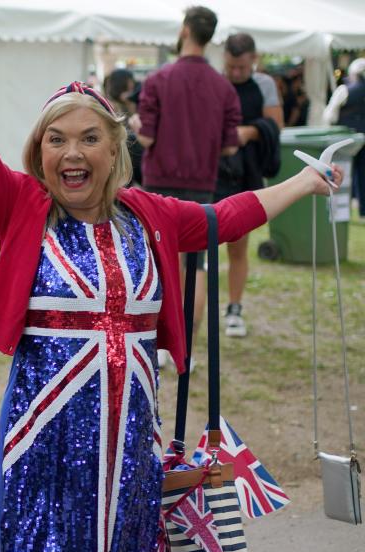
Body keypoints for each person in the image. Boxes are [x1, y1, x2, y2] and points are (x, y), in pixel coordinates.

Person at [0, 6, 342, 552]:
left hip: (130, 451)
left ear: (116, 148)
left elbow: (228, 217)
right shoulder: (21, 206)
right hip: (51, 448)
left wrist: (304, 183)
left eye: (89, 137)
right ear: (40, 151)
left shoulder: (149, 215)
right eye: (56, 140)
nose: (72, 152)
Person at [131, 6, 241, 365]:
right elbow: (229, 145)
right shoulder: (223, 87)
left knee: (161, 263)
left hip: (159, 182)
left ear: (185, 30)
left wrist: (134, 124)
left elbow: (145, 139)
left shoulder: (159, 79)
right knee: (196, 266)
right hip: (201, 184)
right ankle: (187, 349)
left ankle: (159, 345)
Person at [217, 33, 284, 337]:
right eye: (231, 66)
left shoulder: (264, 85)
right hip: (213, 170)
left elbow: (275, 125)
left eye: (242, 67)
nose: (236, 73)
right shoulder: (215, 82)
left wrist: (247, 133)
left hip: (247, 172)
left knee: (238, 242)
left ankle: (234, 307)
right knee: (193, 248)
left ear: (253, 60)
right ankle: (190, 312)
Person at [325, 58, 365, 211]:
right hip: (362, 137)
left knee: (342, 172)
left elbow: (330, 115)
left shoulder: (344, 90)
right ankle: (362, 208)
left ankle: (342, 205)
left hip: (346, 137)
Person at [102, 69, 142, 186]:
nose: (133, 86)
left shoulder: (124, 103)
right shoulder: (113, 107)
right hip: (121, 159)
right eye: (131, 83)